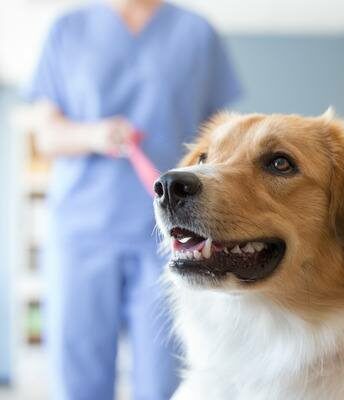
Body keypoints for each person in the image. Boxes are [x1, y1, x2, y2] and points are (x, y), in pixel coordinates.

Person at [25, 0, 241, 398]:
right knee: (79, 373)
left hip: (174, 233)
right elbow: (45, 136)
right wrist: (94, 135)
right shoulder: (68, 30)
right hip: (83, 229)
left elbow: (222, 136)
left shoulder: (196, 33)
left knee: (166, 379)